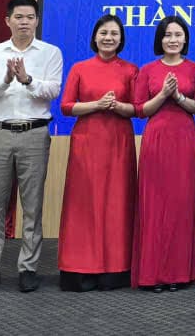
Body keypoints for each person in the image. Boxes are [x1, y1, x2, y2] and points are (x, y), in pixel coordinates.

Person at [0, 0, 63, 294]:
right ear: (7, 20)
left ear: (37, 21)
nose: (24, 22)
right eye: (19, 17)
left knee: (32, 206)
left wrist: (27, 79)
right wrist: (7, 79)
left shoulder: (50, 52)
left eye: (30, 17)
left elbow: (53, 90)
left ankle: (28, 267)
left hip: (34, 133)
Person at [57, 15, 139, 291]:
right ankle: (80, 269)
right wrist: (96, 104)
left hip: (118, 143)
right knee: (83, 204)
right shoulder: (80, 68)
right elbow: (66, 106)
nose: (108, 38)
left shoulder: (131, 70)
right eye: (103, 32)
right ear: (94, 37)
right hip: (87, 142)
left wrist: (117, 106)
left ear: (121, 39)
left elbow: (137, 108)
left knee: (117, 203)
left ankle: (115, 269)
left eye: (114, 33)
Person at [131, 15, 195, 292]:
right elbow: (140, 110)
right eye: (167, 35)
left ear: (185, 39)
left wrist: (179, 97)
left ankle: (178, 273)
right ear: (159, 39)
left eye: (178, 35)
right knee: (154, 205)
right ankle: (152, 274)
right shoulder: (147, 70)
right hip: (156, 140)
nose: (173, 40)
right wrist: (163, 94)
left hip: (184, 139)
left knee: (181, 204)